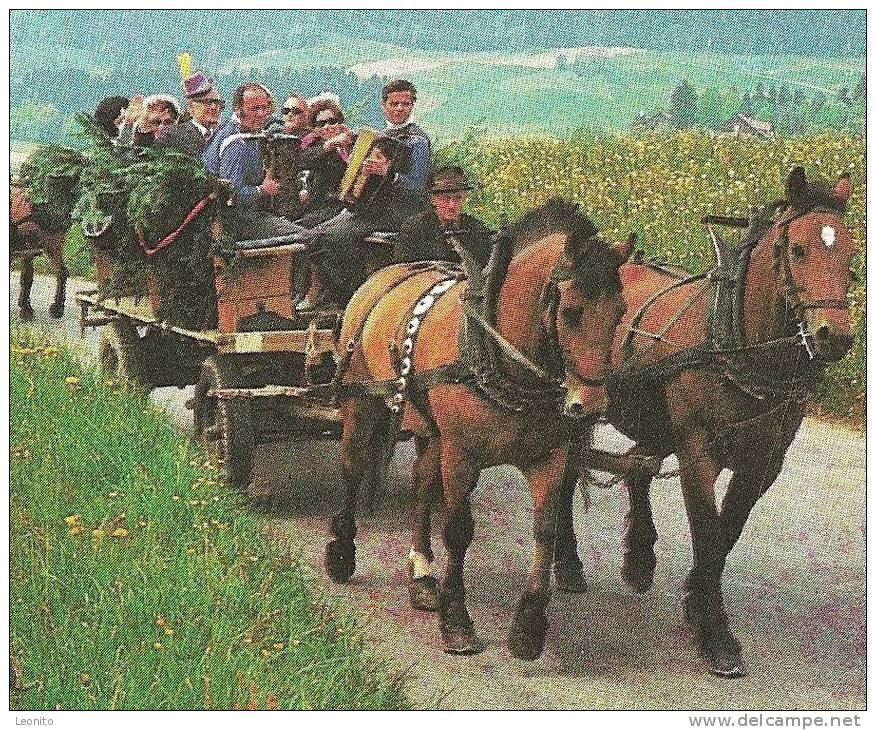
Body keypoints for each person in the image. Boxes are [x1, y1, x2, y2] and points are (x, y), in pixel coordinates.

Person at [298, 79, 431, 310]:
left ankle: (353, 297)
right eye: (394, 103)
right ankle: (338, 293)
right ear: (383, 105)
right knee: (313, 236)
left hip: (399, 212)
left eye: (406, 104)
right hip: (369, 208)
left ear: (412, 106)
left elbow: (417, 189)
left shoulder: (418, 142)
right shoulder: (377, 137)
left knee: (333, 237)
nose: (400, 109)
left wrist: (388, 174)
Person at [202, 82, 300, 241]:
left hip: (246, 217)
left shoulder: (243, 130)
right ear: (238, 110)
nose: (261, 114)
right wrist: (262, 190)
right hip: (237, 223)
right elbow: (231, 196)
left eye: (264, 108)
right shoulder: (236, 142)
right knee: (306, 238)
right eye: (254, 109)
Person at [393, 166, 493, 269]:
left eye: (458, 197)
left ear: (464, 197)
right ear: (432, 199)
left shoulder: (477, 229)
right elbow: (403, 271)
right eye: (445, 198)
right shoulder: (414, 228)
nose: (452, 205)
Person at [297, 99, 353, 220]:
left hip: (351, 205)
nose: (327, 127)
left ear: (339, 123)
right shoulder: (312, 146)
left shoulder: (353, 144)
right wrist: (330, 144)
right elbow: (303, 161)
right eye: (321, 124)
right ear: (314, 128)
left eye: (332, 121)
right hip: (321, 208)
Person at [159, 71, 225, 156]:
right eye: (207, 102)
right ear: (190, 107)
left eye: (217, 102)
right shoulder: (172, 135)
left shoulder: (226, 135)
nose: (214, 107)